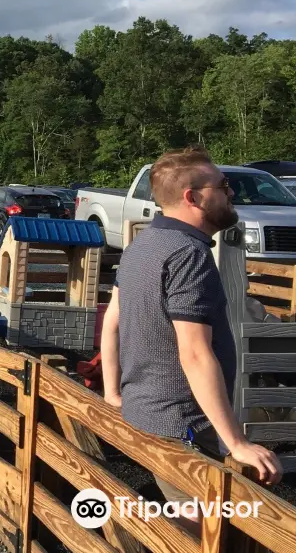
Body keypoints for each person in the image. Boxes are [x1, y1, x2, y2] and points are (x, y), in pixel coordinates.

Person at [109, 144, 282, 534]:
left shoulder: (141, 246)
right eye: (222, 185)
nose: (231, 192)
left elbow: (111, 324)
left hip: (147, 414)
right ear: (193, 197)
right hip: (184, 426)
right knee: (204, 531)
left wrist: (112, 392)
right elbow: (195, 353)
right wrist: (236, 442)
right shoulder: (188, 255)